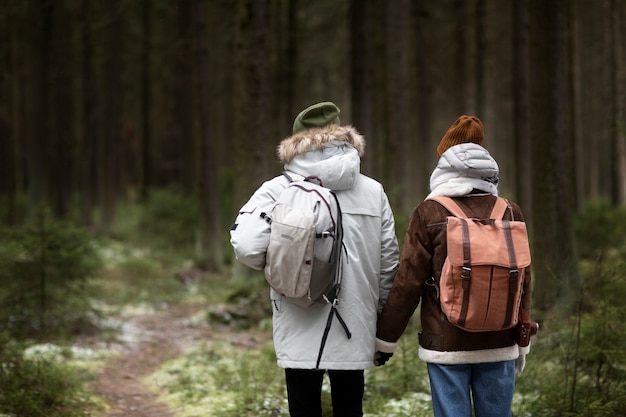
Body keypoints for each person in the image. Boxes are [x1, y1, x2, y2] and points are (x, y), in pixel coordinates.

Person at [230, 101, 399, 417]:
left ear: (296, 143)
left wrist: (280, 263)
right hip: (356, 321)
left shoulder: (278, 189)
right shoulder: (373, 191)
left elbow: (248, 246)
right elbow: (389, 261)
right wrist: (381, 321)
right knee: (350, 408)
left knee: (303, 406)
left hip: (297, 312)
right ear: (344, 138)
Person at [374, 115, 533, 417]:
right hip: (501, 339)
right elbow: (524, 279)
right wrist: (522, 337)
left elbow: (408, 283)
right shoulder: (510, 211)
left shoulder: (429, 212)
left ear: (444, 168)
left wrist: (386, 340)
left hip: (446, 343)